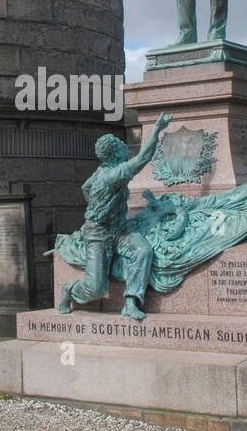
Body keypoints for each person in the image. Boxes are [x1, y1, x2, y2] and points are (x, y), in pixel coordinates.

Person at [58, 112, 173, 321]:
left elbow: (86, 187)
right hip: (98, 235)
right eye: (121, 144)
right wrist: (156, 129)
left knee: (143, 250)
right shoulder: (112, 176)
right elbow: (143, 158)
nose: (125, 146)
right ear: (114, 154)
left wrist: (103, 207)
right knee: (97, 289)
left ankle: (131, 302)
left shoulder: (102, 171)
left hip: (119, 230)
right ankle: (69, 290)